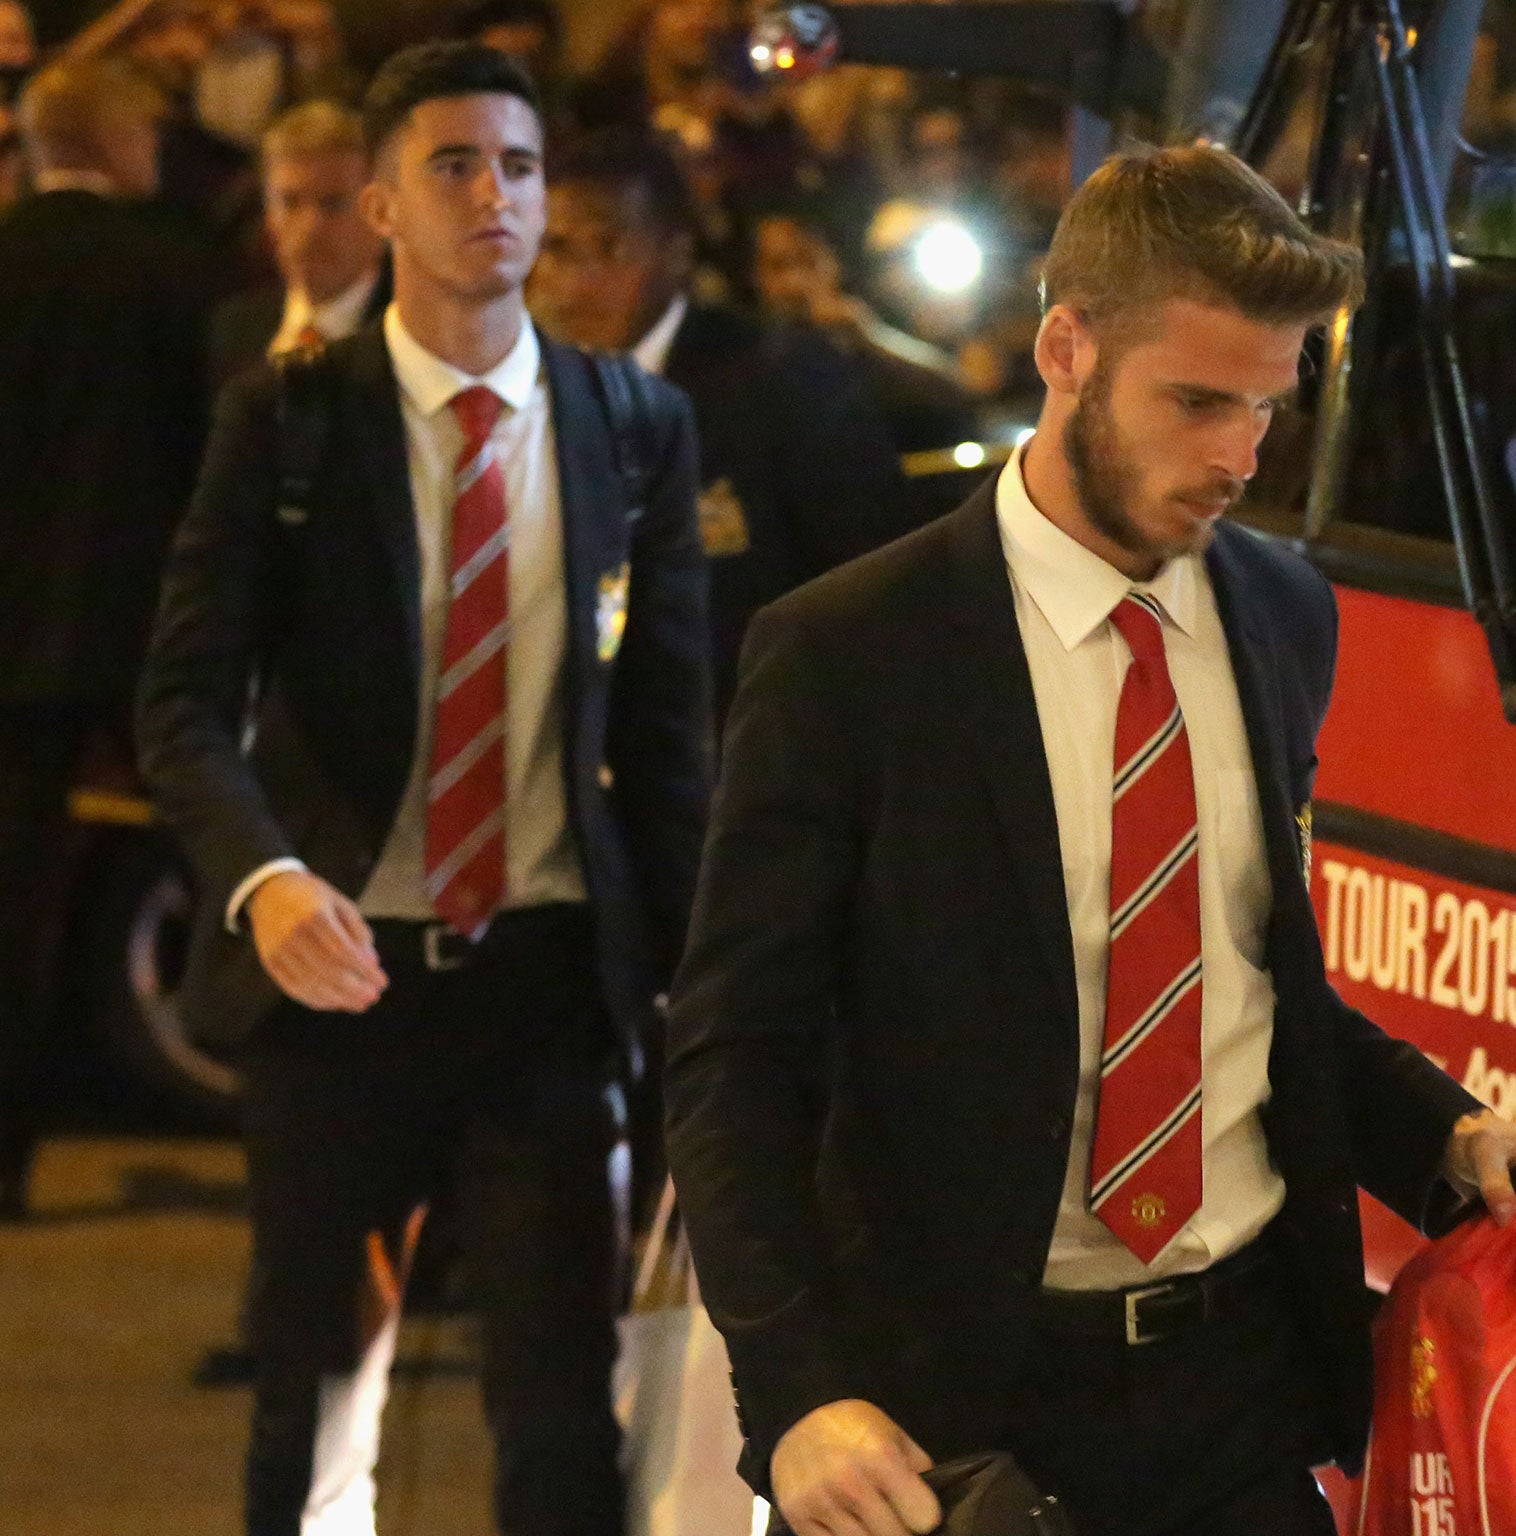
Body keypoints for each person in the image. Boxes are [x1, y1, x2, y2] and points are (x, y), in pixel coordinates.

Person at [665, 144, 1516, 1536]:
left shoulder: (1285, 616)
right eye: (1197, 401)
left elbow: (1246, 980)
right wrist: (794, 1395)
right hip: (961, 1415)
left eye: (1268, 411)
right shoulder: (848, 651)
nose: (1236, 455)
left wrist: (1451, 1135)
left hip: (1239, 1389)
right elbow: (736, 1056)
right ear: (1065, 348)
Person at [137, 41, 712, 1536]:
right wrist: (263, 881)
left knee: (559, 1401)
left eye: (519, 167)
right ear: (383, 204)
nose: (496, 198)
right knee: (318, 1389)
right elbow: (185, 704)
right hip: (341, 984)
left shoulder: (627, 428)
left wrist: (694, 986)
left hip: (541, 980)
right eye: (455, 166)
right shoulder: (293, 418)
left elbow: (664, 745)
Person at [0, 54, 220, 1220]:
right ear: (119, 136)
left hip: (11, 638)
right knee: (222, 865)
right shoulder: (175, 275)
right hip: (149, 630)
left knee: (12, 899)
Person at [530, 127, 913, 722]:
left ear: (676, 251)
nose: (579, 279)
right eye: (556, 249)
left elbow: (870, 591)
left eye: (609, 247)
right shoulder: (531, 391)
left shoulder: (782, 379)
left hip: (752, 746)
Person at [751, 208, 979, 456]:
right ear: (756, 276)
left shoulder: (871, 327)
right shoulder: (748, 351)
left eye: (807, 261)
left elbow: (954, 390)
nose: (795, 282)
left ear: (833, 262)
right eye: (778, 267)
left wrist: (869, 338)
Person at [208, 98, 387, 390]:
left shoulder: (414, 334)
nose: (310, 227)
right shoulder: (234, 331)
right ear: (266, 212)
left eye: (333, 203)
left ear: (379, 212)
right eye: (289, 203)